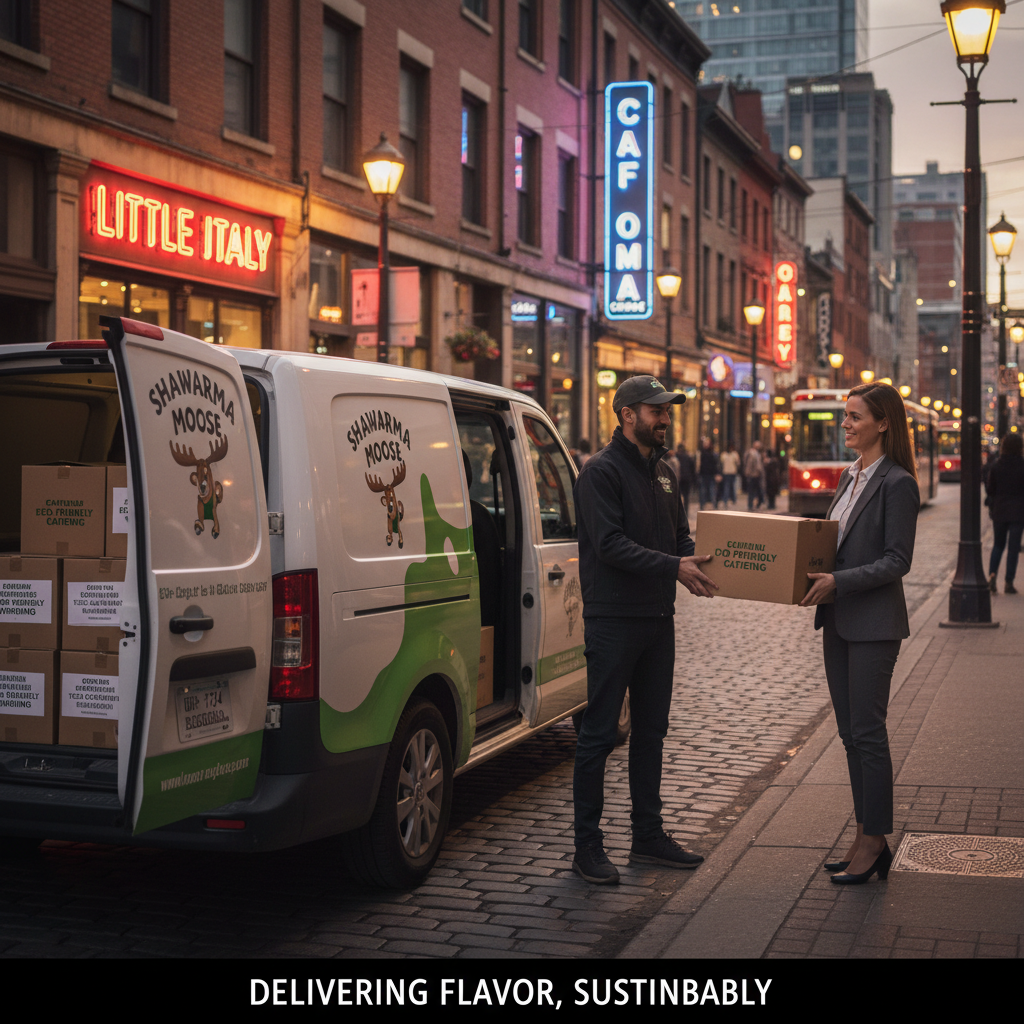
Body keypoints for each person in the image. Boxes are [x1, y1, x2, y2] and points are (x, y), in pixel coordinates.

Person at [572, 375, 717, 884]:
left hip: (658, 619)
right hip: (613, 620)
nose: (666, 418)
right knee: (599, 734)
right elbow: (610, 545)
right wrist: (674, 566)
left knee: (651, 731)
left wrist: (702, 559)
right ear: (627, 414)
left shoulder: (666, 474)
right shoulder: (599, 473)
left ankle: (647, 836)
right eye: (657, 410)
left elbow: (679, 537)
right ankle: (586, 847)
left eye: (668, 411)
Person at [800, 382, 920, 885]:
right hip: (839, 619)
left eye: (854, 417)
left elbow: (898, 560)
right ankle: (864, 832)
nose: (845, 424)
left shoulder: (897, 483)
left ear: (883, 423)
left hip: (873, 623)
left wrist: (838, 581)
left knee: (868, 734)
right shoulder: (850, 478)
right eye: (845, 416)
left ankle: (875, 841)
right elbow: (836, 543)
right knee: (850, 735)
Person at [985, 432, 1024, 595]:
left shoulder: (996, 465)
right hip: (1018, 511)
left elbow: (989, 489)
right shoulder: (1023, 465)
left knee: (998, 545)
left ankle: (992, 576)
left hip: (1000, 510)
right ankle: (1009, 582)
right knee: (1013, 548)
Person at [698, 438, 721, 510]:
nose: (705, 445)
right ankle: (702, 505)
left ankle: (713, 505)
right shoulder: (701, 453)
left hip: (711, 475)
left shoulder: (713, 453)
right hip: (703, 474)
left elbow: (715, 464)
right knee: (703, 491)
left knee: (712, 491)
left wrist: (717, 473)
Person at [743, 440, 764, 511]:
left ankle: (756, 504)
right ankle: (751, 505)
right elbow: (750, 464)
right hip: (753, 475)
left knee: (757, 491)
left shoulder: (757, 453)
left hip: (755, 475)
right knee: (752, 491)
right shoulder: (752, 453)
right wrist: (748, 473)